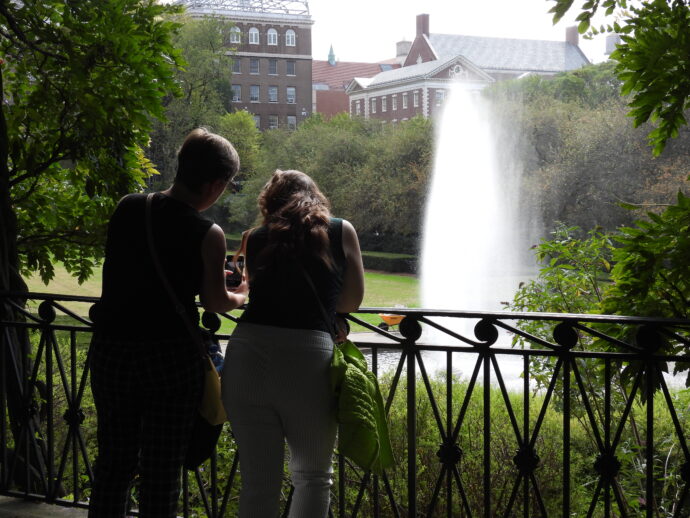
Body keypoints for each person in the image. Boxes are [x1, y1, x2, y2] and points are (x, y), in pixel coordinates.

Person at [89, 128, 248, 518]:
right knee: (162, 469)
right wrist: (242, 293)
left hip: (111, 349)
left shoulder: (129, 206)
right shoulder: (207, 233)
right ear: (214, 183)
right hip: (168, 359)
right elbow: (214, 301)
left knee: (114, 460)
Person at [221, 169, 365, 518]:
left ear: (269, 202)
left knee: (258, 481)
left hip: (247, 353)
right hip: (308, 357)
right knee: (313, 477)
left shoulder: (254, 238)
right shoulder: (340, 230)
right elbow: (350, 302)